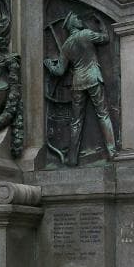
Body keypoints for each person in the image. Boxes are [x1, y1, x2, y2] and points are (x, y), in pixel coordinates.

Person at [44, 12, 117, 165]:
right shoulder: (87, 34)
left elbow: (59, 71)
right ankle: (112, 152)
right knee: (103, 114)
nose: (79, 19)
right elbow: (106, 37)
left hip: (78, 83)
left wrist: (49, 64)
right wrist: (101, 23)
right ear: (72, 24)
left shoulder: (66, 45)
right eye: (77, 18)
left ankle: (72, 159)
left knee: (76, 121)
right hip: (93, 78)